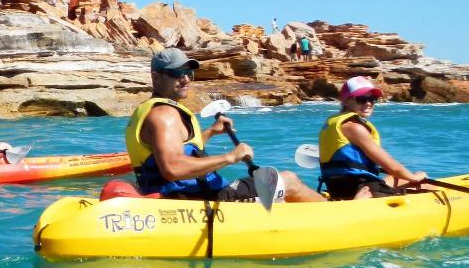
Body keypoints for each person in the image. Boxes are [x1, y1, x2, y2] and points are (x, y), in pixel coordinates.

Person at [124, 49, 323, 202]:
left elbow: (177, 150)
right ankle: (342, 216)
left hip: (189, 195)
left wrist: (210, 132)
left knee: (284, 180)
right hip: (196, 200)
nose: (185, 79)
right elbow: (172, 168)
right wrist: (230, 157)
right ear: (156, 76)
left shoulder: (152, 110)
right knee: (288, 180)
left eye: (188, 72)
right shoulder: (164, 114)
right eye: (176, 73)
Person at [318, 76, 427, 200]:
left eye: (372, 99)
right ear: (346, 100)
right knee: (425, 184)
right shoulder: (354, 128)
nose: (368, 103)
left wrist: (407, 175)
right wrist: (415, 178)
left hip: (337, 189)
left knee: (396, 177)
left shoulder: (332, 124)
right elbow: (392, 167)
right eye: (361, 99)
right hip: (364, 189)